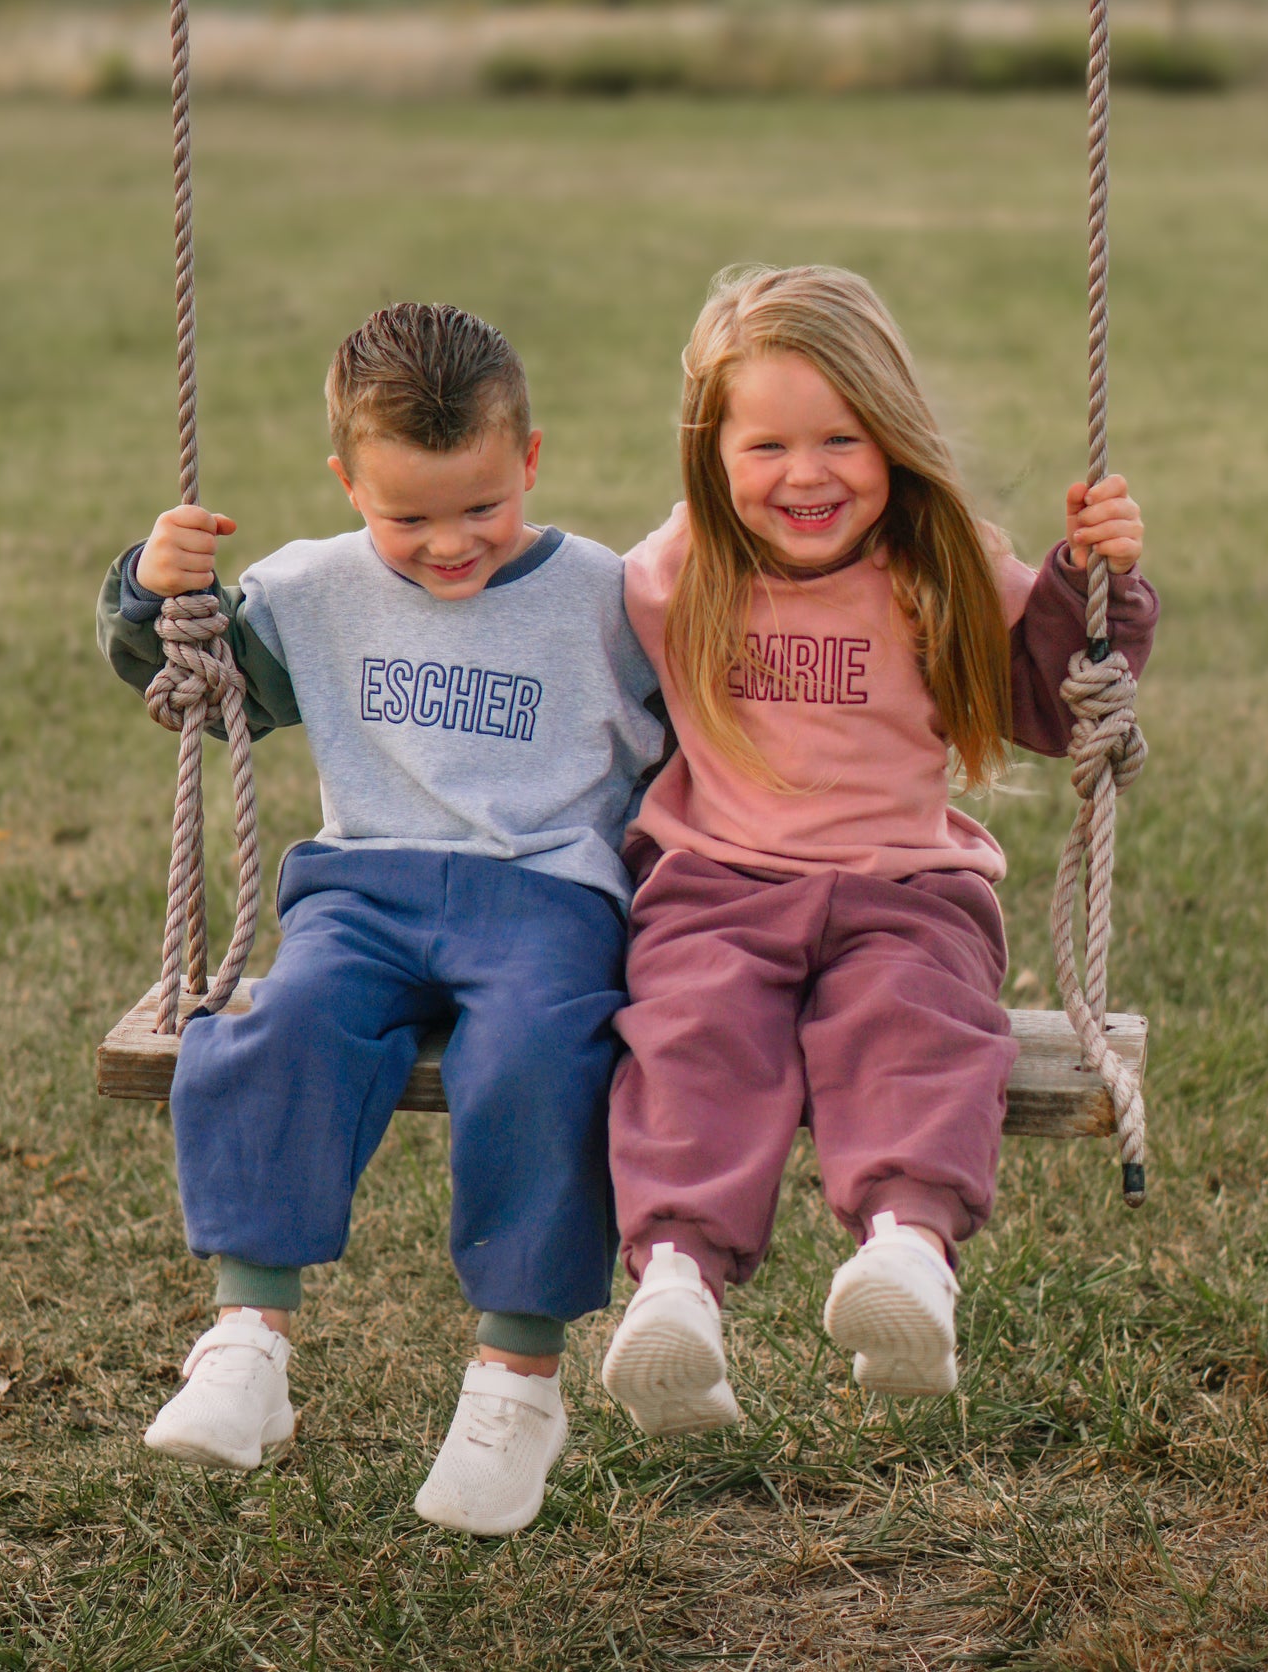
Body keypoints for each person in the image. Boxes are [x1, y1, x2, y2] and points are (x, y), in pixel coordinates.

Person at [98, 301, 664, 1534]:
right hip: (362, 890)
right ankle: (248, 1333)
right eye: (404, 514)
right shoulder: (313, 587)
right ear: (345, 479)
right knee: (280, 1020)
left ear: (530, 458)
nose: (448, 544)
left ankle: (516, 1378)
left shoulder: (608, 597)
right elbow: (180, 673)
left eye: (479, 506)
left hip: (545, 898)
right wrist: (153, 589)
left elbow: (704, 729)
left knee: (536, 1055)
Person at [600, 264, 1157, 1432]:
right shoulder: (672, 570)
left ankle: (906, 1256)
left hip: (904, 884)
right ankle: (675, 1289)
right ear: (711, 452)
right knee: (690, 1037)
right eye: (764, 446)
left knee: (919, 1023)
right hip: (715, 883)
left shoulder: (940, 567)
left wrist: (1090, 582)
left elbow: (1048, 705)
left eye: (839, 438)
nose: (804, 476)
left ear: (890, 434)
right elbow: (557, 653)